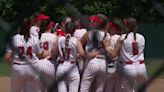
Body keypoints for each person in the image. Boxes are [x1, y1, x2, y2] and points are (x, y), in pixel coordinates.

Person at [4, 18, 49, 92]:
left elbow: (7, 57)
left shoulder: (14, 39)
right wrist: (48, 52)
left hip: (18, 68)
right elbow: (41, 54)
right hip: (33, 67)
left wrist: (11, 63)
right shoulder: (35, 39)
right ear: (30, 26)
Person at [103, 17, 148, 92]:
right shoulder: (141, 37)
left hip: (129, 67)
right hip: (141, 67)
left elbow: (113, 54)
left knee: (129, 90)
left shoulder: (122, 38)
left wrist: (106, 47)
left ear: (127, 26)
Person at [80, 14, 110, 92]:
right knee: (100, 88)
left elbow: (79, 42)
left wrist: (84, 54)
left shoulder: (90, 33)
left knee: (84, 87)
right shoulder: (107, 35)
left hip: (92, 61)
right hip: (103, 63)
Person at [52, 22, 85, 92]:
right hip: (72, 67)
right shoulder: (76, 41)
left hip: (61, 67)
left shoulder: (59, 39)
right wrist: (76, 55)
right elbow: (83, 55)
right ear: (74, 30)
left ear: (64, 30)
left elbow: (53, 53)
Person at [35, 19, 57, 91]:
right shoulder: (54, 37)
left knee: (40, 89)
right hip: (51, 64)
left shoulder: (38, 36)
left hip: (39, 64)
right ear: (50, 27)